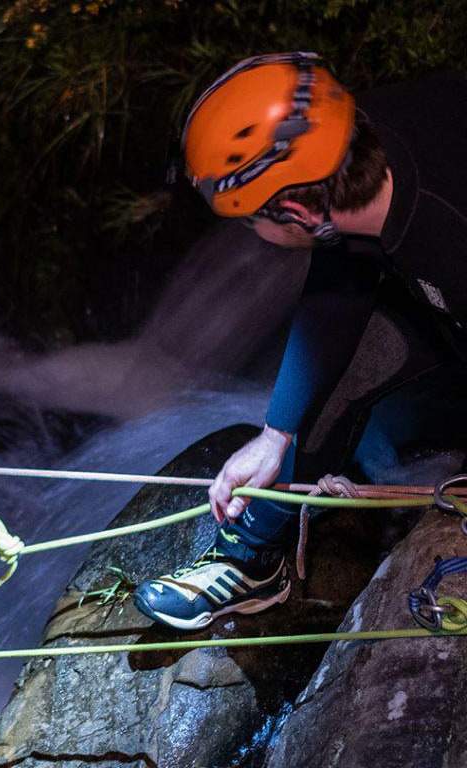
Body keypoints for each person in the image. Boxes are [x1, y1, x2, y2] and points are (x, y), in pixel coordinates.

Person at [133, 52, 467, 630]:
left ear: (292, 209)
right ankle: (250, 562)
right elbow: (340, 280)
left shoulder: (446, 231)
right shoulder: (353, 143)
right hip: (428, 273)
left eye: (248, 222)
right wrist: (275, 431)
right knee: (341, 373)